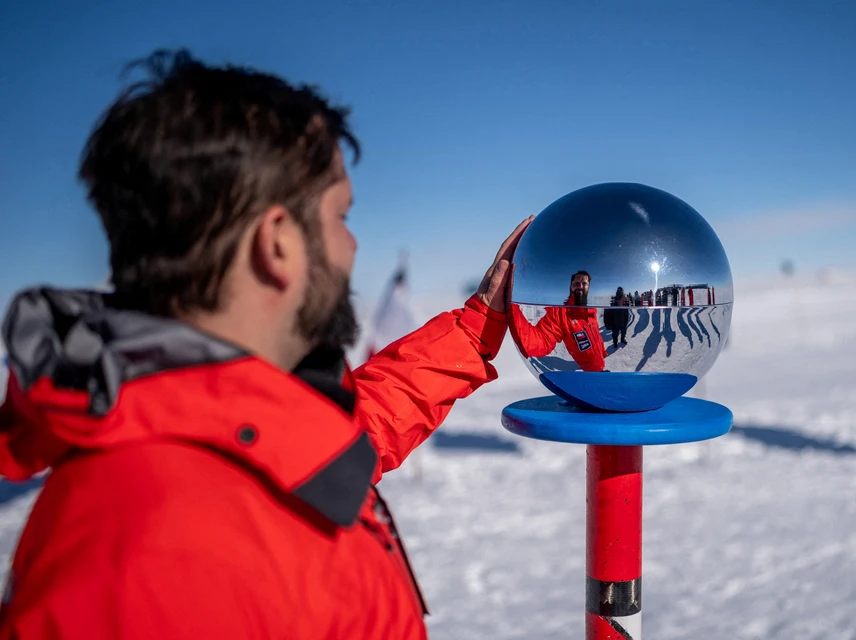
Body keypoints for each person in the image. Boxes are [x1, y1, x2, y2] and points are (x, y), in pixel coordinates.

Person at [0, 49, 532, 639]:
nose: (352, 247)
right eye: (340, 216)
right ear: (276, 243)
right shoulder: (150, 560)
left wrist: (475, 324)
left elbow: (348, 428)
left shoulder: (201, 418)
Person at [509, 270, 606, 372]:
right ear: (571, 286)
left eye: (584, 283)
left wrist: (602, 352)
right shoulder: (561, 313)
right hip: (586, 374)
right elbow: (540, 339)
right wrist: (511, 307)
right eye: (576, 283)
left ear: (588, 286)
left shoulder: (591, 310)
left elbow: (596, 336)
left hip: (601, 367)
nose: (580, 286)